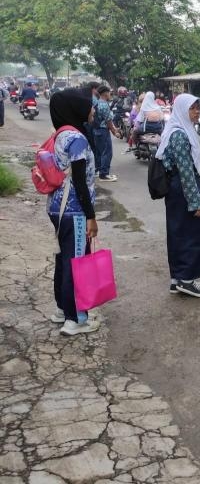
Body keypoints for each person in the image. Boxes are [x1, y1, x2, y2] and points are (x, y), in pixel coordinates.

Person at [156, 94, 200, 297]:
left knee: (179, 232)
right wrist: (195, 203)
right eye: (193, 108)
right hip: (183, 189)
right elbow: (186, 171)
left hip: (178, 189)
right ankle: (186, 279)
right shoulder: (179, 135)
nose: (197, 112)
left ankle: (177, 278)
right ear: (182, 110)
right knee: (194, 232)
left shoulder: (178, 130)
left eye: (198, 107)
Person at [47, 90, 101, 335]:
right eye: (90, 107)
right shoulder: (77, 138)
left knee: (64, 259)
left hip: (57, 207)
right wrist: (91, 216)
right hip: (75, 210)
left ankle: (61, 309)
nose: (93, 111)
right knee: (76, 262)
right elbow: (79, 181)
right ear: (78, 109)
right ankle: (76, 319)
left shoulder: (60, 135)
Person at [93, 84, 121, 182]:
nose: (110, 94)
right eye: (109, 93)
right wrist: (114, 132)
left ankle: (99, 170)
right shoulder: (104, 104)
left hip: (97, 130)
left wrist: (114, 128)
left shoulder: (97, 103)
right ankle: (104, 174)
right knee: (107, 152)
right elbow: (108, 121)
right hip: (103, 130)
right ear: (105, 93)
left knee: (99, 152)